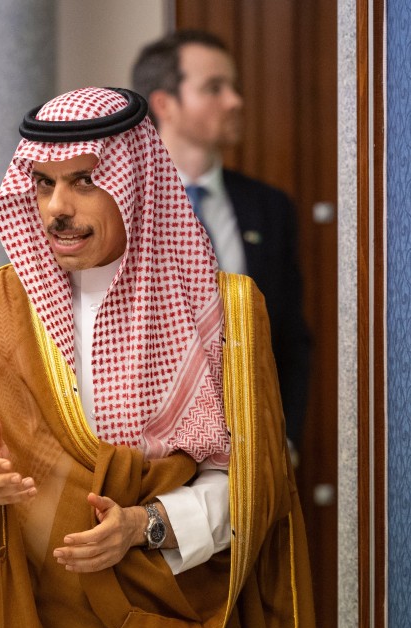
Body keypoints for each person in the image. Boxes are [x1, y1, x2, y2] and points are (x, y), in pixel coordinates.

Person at [0, 87, 316, 628]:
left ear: (134, 184)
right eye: (43, 183)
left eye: (83, 182)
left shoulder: (226, 313)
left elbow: (255, 486)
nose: (56, 208)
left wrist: (147, 526)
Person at [131, 29, 312, 448]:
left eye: (233, 87)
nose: (235, 101)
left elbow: (288, 337)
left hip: (251, 448)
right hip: (148, 452)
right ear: (164, 104)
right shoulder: (122, 208)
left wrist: (286, 440)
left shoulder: (270, 207)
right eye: (214, 88)